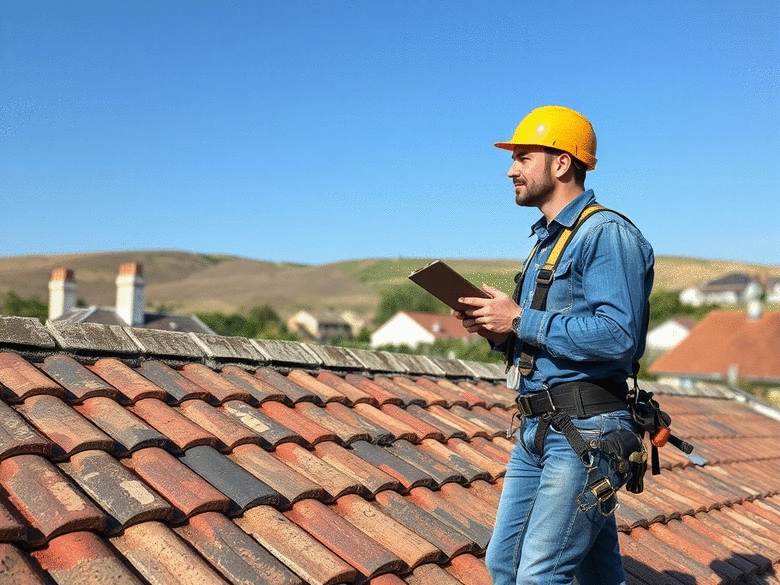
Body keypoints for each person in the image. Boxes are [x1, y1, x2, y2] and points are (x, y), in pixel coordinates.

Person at [454, 105, 654, 585]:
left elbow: (618, 335)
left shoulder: (606, 235)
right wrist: (499, 330)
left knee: (539, 575)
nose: (511, 169)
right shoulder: (546, 242)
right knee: (517, 564)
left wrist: (521, 317)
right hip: (540, 428)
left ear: (562, 163)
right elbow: (547, 337)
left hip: (587, 429)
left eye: (523, 157)